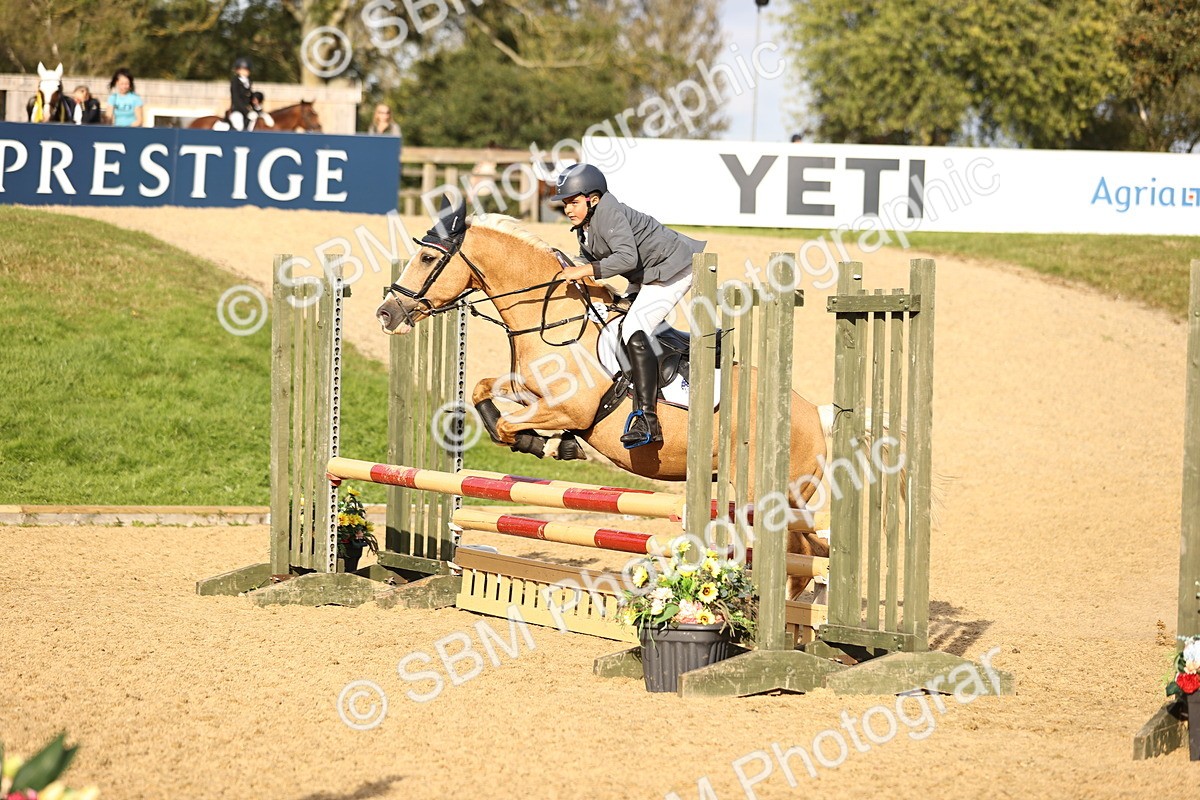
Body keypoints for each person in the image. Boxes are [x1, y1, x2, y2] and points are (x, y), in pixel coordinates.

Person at [553, 164, 705, 449]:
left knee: (635, 326)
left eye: (574, 202)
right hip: (645, 274)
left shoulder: (609, 212)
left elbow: (625, 258)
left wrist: (583, 271)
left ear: (593, 199)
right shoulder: (584, 226)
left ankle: (648, 419)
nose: (568, 209)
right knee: (610, 322)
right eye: (565, 204)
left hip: (673, 269)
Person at [228, 57, 257, 131]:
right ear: (238, 70)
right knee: (239, 125)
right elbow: (236, 99)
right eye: (244, 69)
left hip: (247, 111)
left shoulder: (249, 82)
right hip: (237, 110)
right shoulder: (235, 82)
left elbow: (250, 97)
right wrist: (247, 111)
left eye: (247, 69)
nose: (247, 71)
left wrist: (256, 106)